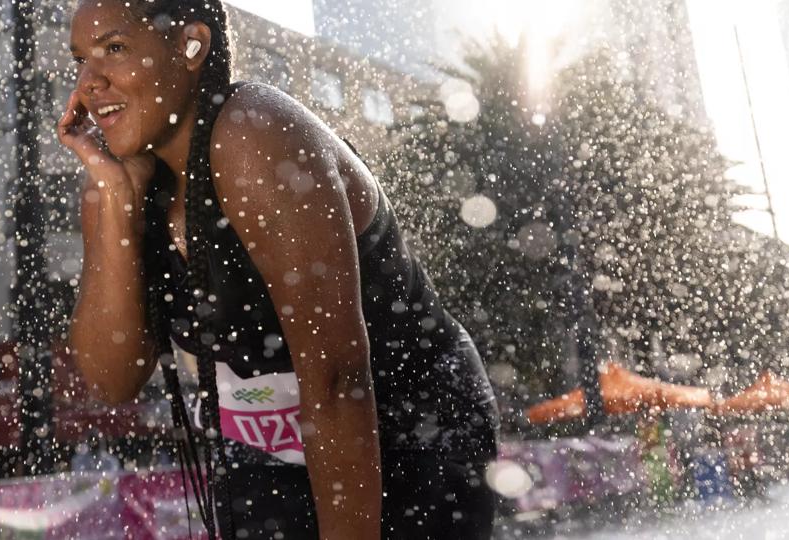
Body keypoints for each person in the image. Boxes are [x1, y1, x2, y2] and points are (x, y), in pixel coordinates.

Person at [59, 0, 500, 538]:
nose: (89, 82)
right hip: (267, 441)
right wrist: (115, 198)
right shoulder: (117, 186)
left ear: (191, 45)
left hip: (406, 429)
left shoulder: (256, 138)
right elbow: (112, 379)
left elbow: (339, 380)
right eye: (81, 59)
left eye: (114, 49)